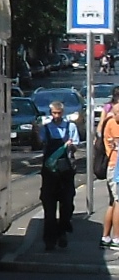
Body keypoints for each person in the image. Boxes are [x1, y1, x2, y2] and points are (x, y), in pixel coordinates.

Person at [38, 98, 81, 251]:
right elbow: (41, 143)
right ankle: (49, 240)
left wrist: (71, 146)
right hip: (50, 174)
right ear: (51, 113)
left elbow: (76, 146)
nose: (56, 115)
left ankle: (62, 231)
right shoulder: (46, 128)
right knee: (49, 209)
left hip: (66, 173)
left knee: (67, 205)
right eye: (54, 113)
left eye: (59, 113)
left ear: (63, 112)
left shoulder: (71, 127)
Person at [100, 102, 119, 248]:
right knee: (117, 202)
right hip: (115, 167)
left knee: (113, 203)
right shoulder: (112, 124)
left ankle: (106, 237)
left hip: (114, 167)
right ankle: (116, 238)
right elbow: (112, 145)